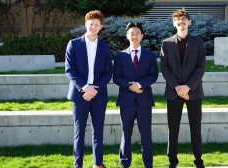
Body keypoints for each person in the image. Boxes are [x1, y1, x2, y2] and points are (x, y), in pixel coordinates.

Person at [65, 10, 112, 168]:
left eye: (96, 24)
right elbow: (69, 69)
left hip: (98, 95)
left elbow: (108, 72)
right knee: (79, 132)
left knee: (98, 131)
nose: (93, 27)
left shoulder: (105, 47)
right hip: (80, 95)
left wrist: (94, 90)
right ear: (86, 24)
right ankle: (78, 164)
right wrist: (85, 88)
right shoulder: (74, 44)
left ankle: (98, 163)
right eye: (90, 24)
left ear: (100, 27)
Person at [160, 9, 206, 168]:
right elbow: (165, 68)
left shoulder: (198, 42)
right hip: (173, 93)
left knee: (196, 129)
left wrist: (187, 87)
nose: (181, 22)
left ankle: (198, 161)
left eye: (184, 20)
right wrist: (178, 87)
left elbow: (201, 68)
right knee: (173, 130)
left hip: (193, 93)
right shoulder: (166, 43)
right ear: (174, 23)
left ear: (189, 22)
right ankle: (172, 162)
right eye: (178, 20)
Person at [113, 22, 158, 168]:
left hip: (144, 100)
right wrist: (131, 86)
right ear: (127, 36)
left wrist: (139, 85)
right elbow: (117, 78)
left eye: (137, 33)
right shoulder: (120, 56)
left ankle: (148, 164)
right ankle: (124, 163)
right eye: (131, 33)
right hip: (126, 101)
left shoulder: (150, 55)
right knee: (126, 134)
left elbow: (153, 75)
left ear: (142, 36)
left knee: (146, 135)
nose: (134, 36)